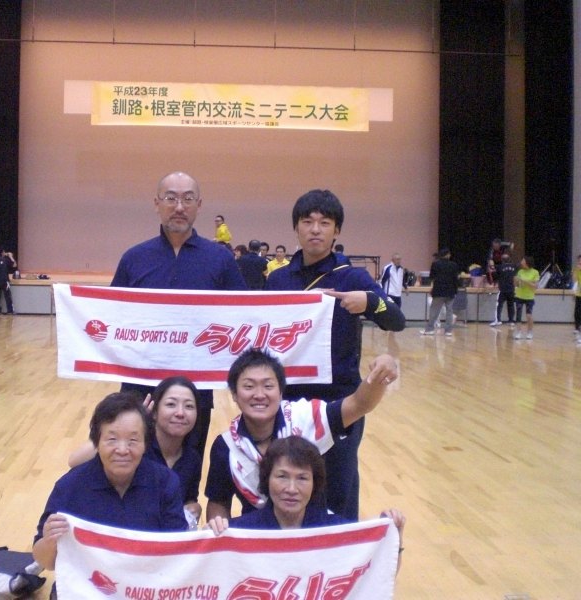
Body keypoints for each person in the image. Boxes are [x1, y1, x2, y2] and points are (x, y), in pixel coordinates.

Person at [264, 189, 405, 521]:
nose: (315, 229)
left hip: (340, 401)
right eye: (307, 221)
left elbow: (396, 320)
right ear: (296, 228)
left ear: (336, 230)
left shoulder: (352, 277)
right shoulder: (277, 280)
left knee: (338, 490)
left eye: (324, 222)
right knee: (283, 489)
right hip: (287, 400)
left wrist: (369, 301)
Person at [110, 171, 247, 457]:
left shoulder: (220, 259)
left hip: (196, 392)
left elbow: (244, 317)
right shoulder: (134, 258)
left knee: (187, 473)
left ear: (199, 204)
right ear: (157, 203)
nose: (179, 207)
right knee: (135, 466)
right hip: (140, 389)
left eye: (188, 199)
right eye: (171, 198)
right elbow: (112, 318)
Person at [204, 347, 397, 522]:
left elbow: (358, 404)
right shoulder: (226, 446)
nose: (259, 394)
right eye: (248, 386)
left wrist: (381, 374)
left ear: (281, 392)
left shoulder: (306, 418)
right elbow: (219, 502)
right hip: (259, 538)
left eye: (268, 386)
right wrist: (220, 534)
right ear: (234, 394)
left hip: (314, 534)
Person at [33, 392, 187, 575]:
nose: (122, 450)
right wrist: (49, 541)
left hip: (145, 583)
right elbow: (45, 562)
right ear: (96, 443)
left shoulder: (166, 482)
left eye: (133, 440)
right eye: (112, 439)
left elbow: (179, 553)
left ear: (146, 444)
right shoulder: (69, 487)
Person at [206, 436, 405, 573]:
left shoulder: (337, 531)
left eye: (302, 478)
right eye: (282, 476)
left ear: (314, 483)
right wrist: (208, 541)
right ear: (266, 479)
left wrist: (392, 537)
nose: (291, 489)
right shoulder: (237, 531)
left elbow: (377, 577)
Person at [67, 376, 203, 527]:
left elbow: (188, 499)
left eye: (189, 406)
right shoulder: (134, 448)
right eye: (171, 404)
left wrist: (195, 507)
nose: (180, 413)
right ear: (154, 411)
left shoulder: (193, 459)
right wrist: (131, 426)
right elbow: (74, 461)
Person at [421, 248, 460, 336]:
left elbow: (431, 277)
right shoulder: (454, 265)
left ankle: (430, 329)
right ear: (448, 255)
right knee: (449, 312)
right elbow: (456, 279)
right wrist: (455, 290)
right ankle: (448, 331)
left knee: (434, 311)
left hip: (438, 291)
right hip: (450, 291)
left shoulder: (435, 264)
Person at [513, 255, 539, 340]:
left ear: (527, 262)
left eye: (523, 260)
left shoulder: (535, 272)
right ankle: (518, 332)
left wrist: (525, 281)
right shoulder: (520, 271)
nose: (521, 262)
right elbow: (517, 285)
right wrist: (515, 281)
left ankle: (530, 332)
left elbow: (535, 286)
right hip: (519, 296)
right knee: (518, 315)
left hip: (529, 297)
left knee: (528, 315)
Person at [490, 253, 517, 327]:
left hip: (502, 289)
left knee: (499, 305)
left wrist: (492, 269)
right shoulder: (514, 266)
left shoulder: (500, 267)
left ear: (502, 260)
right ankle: (511, 321)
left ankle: (498, 320)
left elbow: (495, 276)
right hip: (511, 289)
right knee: (511, 305)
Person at [0, 247, 17, 315]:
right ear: (2, 253)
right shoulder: (5, 260)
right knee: (7, 296)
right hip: (4, 280)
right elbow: (14, 265)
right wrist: (10, 256)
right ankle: (10, 311)